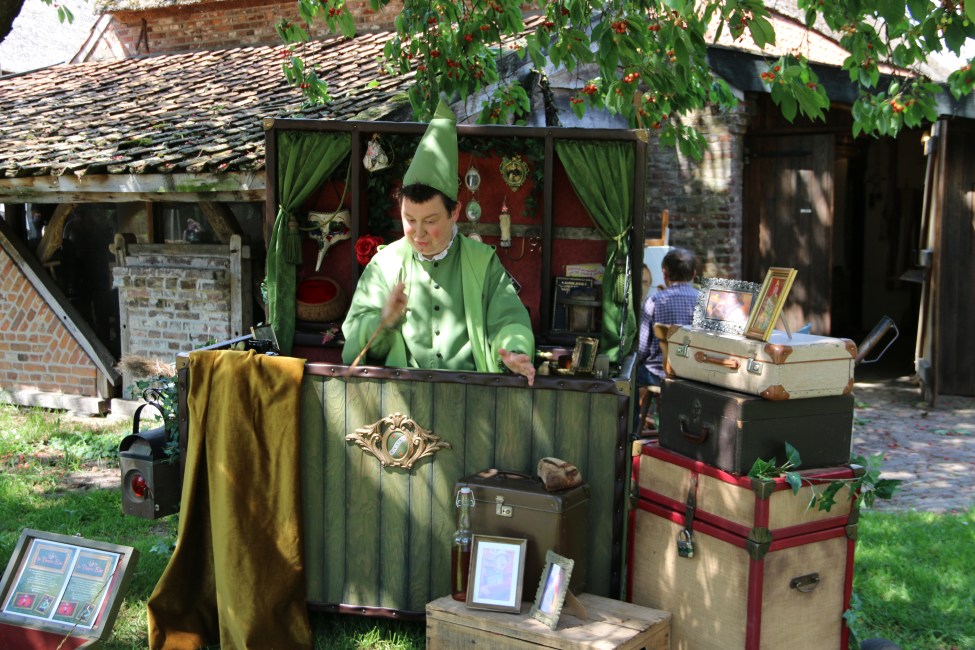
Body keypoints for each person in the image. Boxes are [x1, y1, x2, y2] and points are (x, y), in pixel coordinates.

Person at [342, 99, 536, 384]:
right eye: (410, 220)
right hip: (402, 407)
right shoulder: (384, 265)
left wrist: (515, 351)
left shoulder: (483, 261)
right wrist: (383, 319)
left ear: (455, 212)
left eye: (430, 221)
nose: (418, 234)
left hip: (471, 401)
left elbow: (508, 319)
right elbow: (355, 349)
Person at [636, 247, 699, 388]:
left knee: (629, 372)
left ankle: (634, 410)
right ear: (693, 274)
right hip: (694, 376)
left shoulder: (653, 302)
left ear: (664, 273)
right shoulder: (705, 302)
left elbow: (641, 349)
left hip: (658, 374)